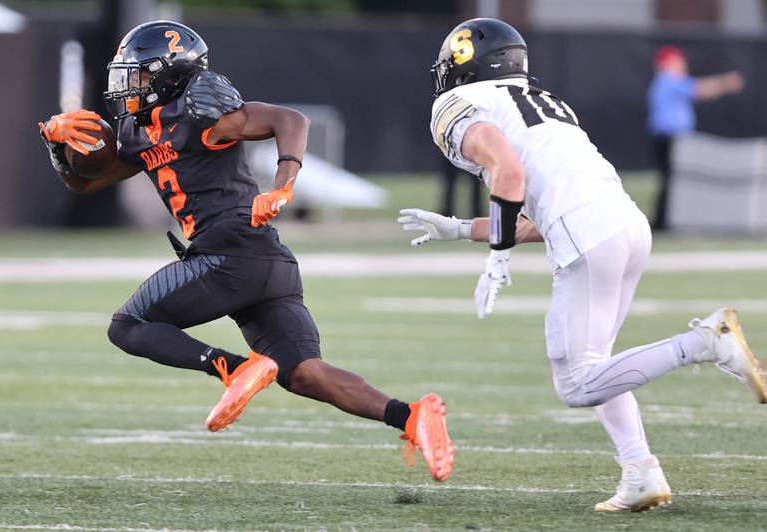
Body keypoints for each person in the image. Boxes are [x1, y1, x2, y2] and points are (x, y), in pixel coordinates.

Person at [38, 20, 454, 482]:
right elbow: (87, 182)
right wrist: (61, 151)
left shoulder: (202, 111)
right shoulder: (137, 132)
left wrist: (283, 185)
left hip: (228, 251)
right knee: (304, 374)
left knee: (127, 326)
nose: (128, 85)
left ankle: (234, 369)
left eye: (138, 75)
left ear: (169, 74)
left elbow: (290, 120)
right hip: (263, 262)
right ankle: (413, 417)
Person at [399, 18, 766, 511]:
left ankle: (705, 342)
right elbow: (537, 213)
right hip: (626, 224)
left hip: (589, 233)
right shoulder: (546, 103)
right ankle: (640, 472)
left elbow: (508, 171)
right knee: (602, 366)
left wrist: (498, 255)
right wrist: (463, 228)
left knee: (577, 383)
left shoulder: (457, 105)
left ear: (466, 63)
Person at [647, 46, 744, 230]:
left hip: (671, 137)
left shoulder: (666, 82)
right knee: (672, 179)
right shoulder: (668, 80)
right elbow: (699, 89)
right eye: (678, 61)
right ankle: (663, 221)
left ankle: (665, 220)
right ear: (666, 64)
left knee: (673, 179)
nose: (683, 65)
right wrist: (725, 82)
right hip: (669, 137)